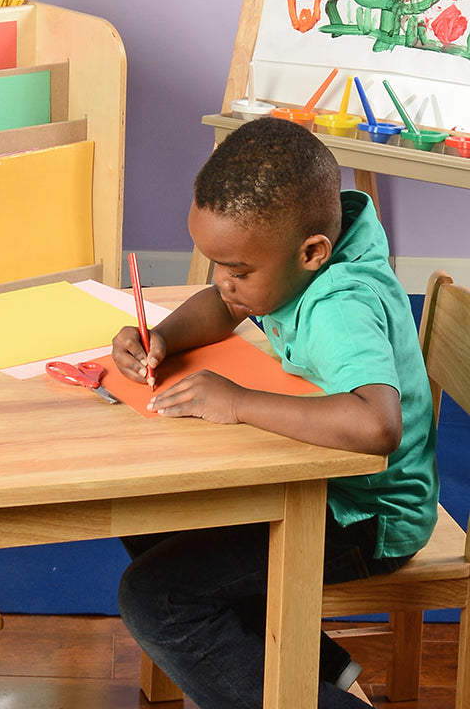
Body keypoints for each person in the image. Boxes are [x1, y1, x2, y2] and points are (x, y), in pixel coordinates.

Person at [111, 116, 439, 708]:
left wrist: (236, 403)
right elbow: (223, 304)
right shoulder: (292, 251)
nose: (222, 283)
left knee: (158, 598)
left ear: (313, 253)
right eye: (216, 264)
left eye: (237, 271)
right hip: (319, 481)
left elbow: (377, 424)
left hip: (364, 515)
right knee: (152, 518)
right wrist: (162, 337)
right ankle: (322, 668)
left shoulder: (341, 304)